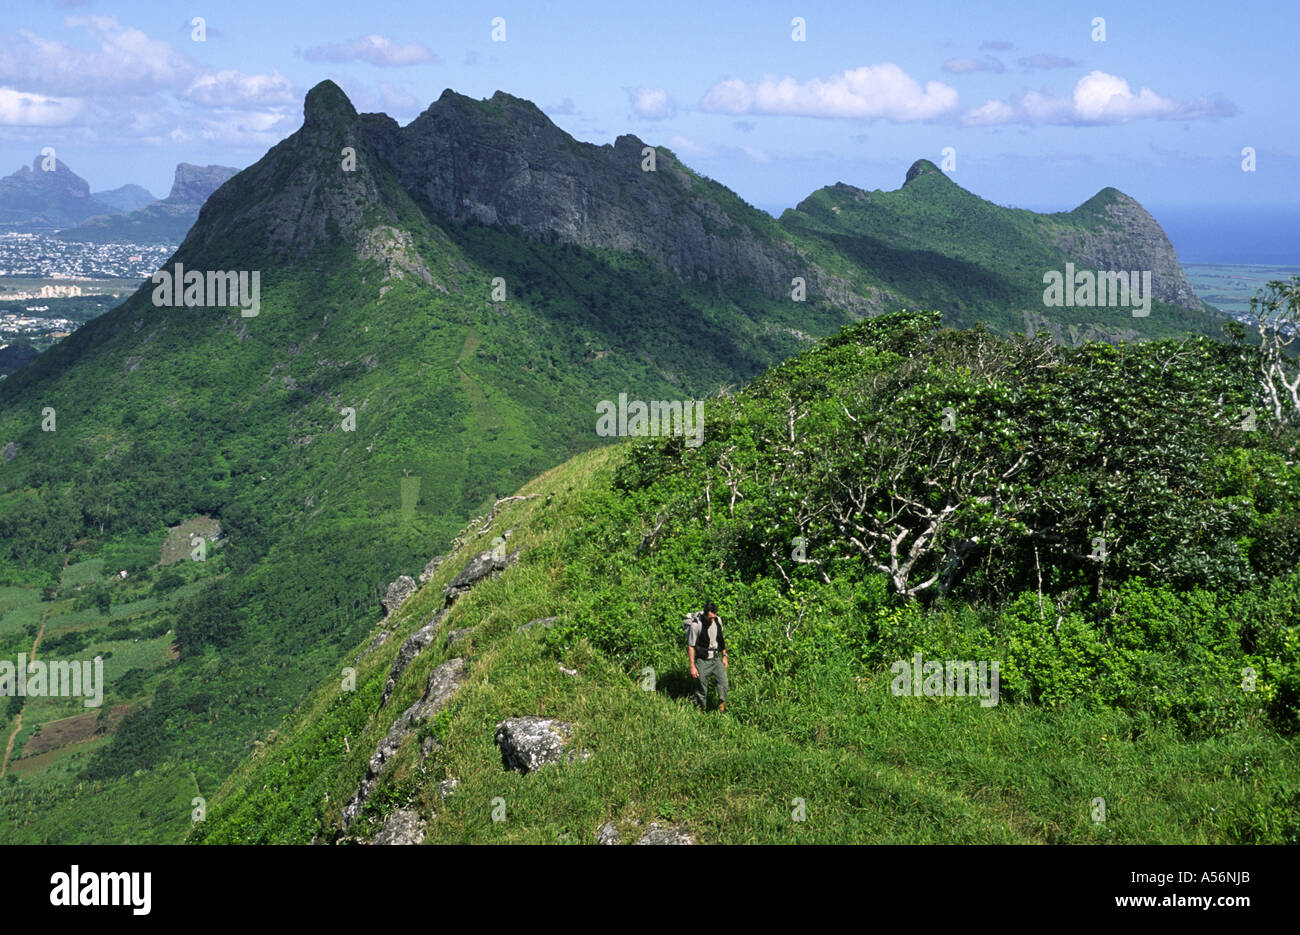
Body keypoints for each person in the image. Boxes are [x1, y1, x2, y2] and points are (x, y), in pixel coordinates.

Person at [686, 601, 728, 712]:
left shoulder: (718, 621)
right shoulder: (696, 625)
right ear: (705, 614)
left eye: (714, 617)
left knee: (724, 683)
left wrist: (724, 656)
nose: (712, 620)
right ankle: (700, 711)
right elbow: (691, 646)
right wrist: (692, 666)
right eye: (710, 618)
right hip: (702, 660)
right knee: (701, 686)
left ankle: (721, 709)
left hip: (715, 658)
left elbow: (721, 639)